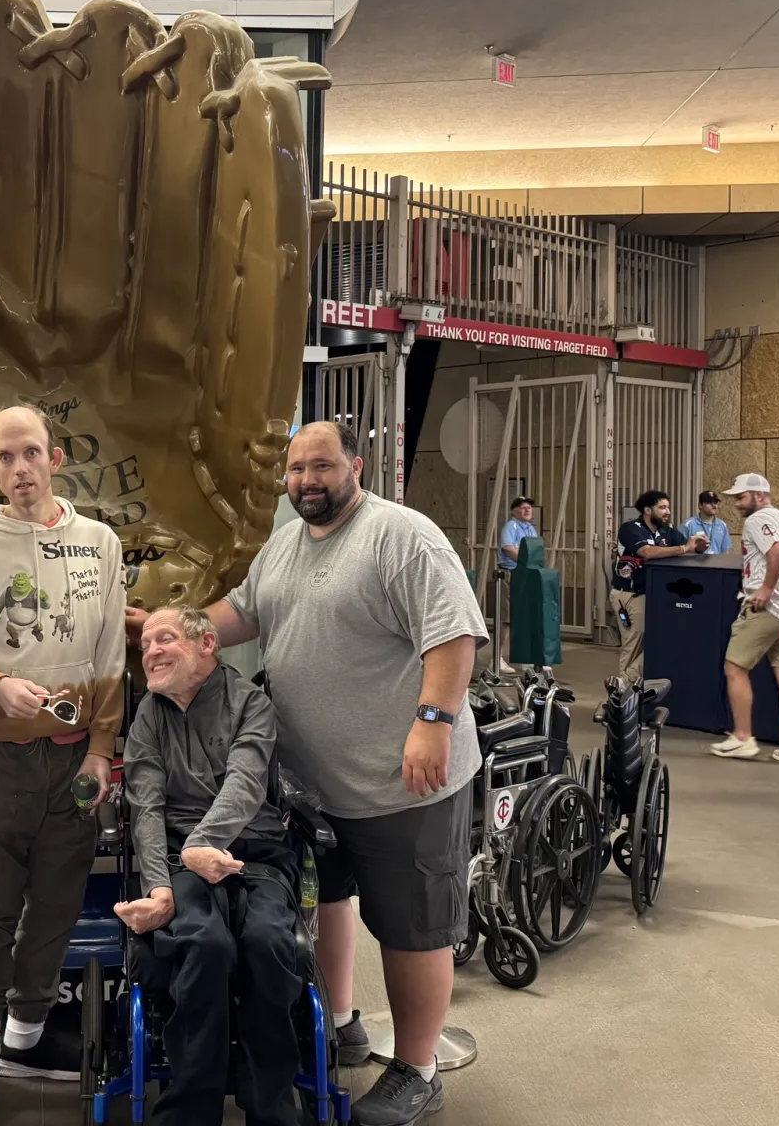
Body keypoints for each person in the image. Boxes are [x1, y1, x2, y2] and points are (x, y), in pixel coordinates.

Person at [128, 421, 489, 1126]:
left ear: (356, 465)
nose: (306, 481)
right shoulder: (286, 544)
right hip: (316, 790)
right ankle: (342, 1022)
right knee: (332, 904)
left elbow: (453, 634)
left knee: (413, 926)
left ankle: (417, 1068)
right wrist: (170, 626)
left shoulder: (401, 537)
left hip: (400, 784)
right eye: (295, 471)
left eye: (321, 466)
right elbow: (239, 614)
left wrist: (432, 723)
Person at [0, 403, 126, 1126]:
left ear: (56, 457)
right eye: (5, 458)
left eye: (31, 453)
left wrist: (104, 749)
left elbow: (111, 655)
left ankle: (24, 1031)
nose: (20, 469)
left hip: (73, 759)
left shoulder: (100, 543)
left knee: (56, 901)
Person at [116, 607, 301, 1126]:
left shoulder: (251, 703)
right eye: (145, 644)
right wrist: (158, 888)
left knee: (267, 943)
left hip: (255, 852)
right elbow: (146, 808)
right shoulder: (148, 715)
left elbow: (245, 785)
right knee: (203, 944)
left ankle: (271, 1107)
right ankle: (189, 1112)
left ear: (207, 645)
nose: (149, 651)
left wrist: (205, 842)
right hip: (178, 857)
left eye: (164, 639)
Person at [711, 473, 779, 763]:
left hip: (766, 608)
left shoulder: (757, 520)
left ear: (759, 496)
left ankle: (742, 737)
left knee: (734, 667)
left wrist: (765, 588)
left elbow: (778, 549)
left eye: (741, 497)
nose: (737, 504)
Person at [610, 490, 706, 684]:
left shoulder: (667, 531)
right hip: (629, 595)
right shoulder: (630, 528)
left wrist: (698, 546)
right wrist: (683, 548)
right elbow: (646, 552)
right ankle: (623, 691)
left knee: (659, 639)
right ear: (647, 510)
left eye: (668, 507)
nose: (667, 511)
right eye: (662, 507)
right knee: (634, 643)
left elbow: (687, 548)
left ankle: (627, 685)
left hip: (654, 595)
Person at [495, 496, 539, 673]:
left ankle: (523, 656)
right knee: (507, 619)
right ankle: (497, 659)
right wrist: (526, 560)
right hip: (511, 573)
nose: (527, 510)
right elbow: (508, 547)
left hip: (525, 574)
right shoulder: (511, 526)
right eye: (522, 507)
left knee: (523, 617)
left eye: (529, 507)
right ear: (513, 511)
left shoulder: (530, 529)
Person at [680, 490, 731, 555]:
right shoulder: (688, 525)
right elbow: (680, 550)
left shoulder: (722, 525)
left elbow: (725, 552)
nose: (714, 506)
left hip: (717, 564)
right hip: (695, 564)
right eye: (709, 502)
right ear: (700, 505)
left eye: (715, 502)